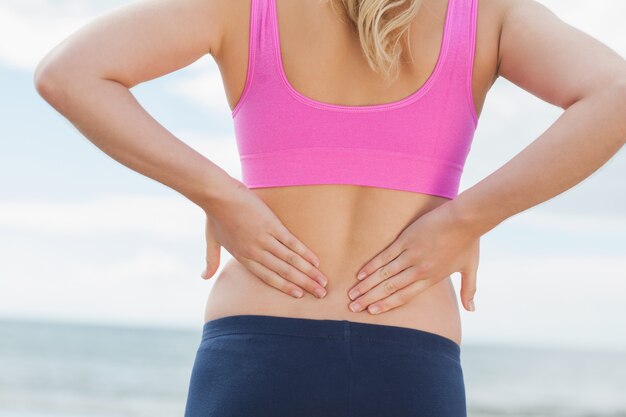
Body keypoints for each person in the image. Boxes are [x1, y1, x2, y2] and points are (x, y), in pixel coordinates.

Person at [34, 0, 625, 415]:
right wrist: (465, 219)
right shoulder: (489, 14)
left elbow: (69, 72)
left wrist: (220, 195)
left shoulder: (245, 7)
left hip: (256, 349)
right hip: (411, 354)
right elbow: (614, 94)